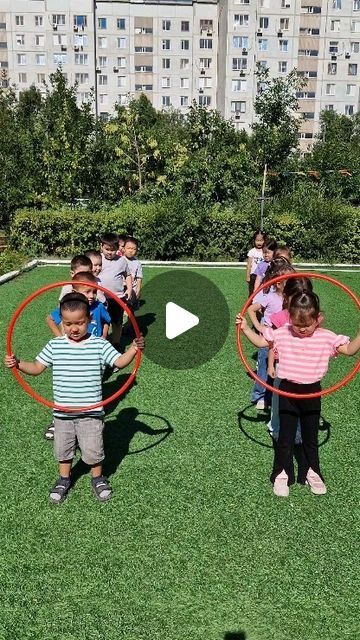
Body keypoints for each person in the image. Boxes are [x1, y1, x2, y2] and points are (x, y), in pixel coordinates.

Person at [4, 292, 145, 505]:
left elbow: (119, 362)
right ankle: (63, 478)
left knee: (93, 448)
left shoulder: (99, 344)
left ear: (89, 319)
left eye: (79, 322)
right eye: (68, 324)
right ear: (62, 322)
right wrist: (18, 364)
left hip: (91, 412)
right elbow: (36, 368)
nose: (74, 328)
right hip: (63, 413)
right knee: (63, 448)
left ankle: (97, 477)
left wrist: (133, 349)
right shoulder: (55, 345)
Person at [237, 291, 360, 497]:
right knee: (285, 436)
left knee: (310, 437)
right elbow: (261, 343)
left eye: (307, 325)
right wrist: (246, 328)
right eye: (297, 324)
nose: (302, 329)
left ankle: (312, 471)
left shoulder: (326, 337)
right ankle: (281, 473)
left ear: (318, 318)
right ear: (290, 318)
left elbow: (349, 350)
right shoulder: (283, 332)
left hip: (312, 392)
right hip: (286, 390)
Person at [248, 259, 295, 410]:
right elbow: (251, 309)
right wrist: (258, 326)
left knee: (279, 370)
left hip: (284, 340)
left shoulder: (293, 300)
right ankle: (260, 396)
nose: (292, 283)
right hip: (268, 338)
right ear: (278, 283)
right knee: (264, 368)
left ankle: (277, 398)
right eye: (288, 280)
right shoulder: (270, 297)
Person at [46, 272, 111, 340]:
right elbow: (50, 319)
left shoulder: (99, 306)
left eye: (94, 292)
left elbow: (106, 321)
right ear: (75, 292)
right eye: (87, 292)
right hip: (73, 347)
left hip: (94, 347)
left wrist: (103, 336)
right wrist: (60, 337)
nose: (92, 296)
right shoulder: (69, 307)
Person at [100, 233, 132, 348]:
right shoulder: (98, 259)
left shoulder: (122, 261)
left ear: (118, 248)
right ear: (101, 247)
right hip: (100, 298)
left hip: (118, 298)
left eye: (113, 250)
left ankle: (116, 344)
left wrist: (128, 288)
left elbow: (127, 275)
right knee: (102, 322)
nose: (109, 252)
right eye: (107, 249)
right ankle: (101, 344)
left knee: (117, 322)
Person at [123, 236, 143, 310]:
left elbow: (139, 278)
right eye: (129, 248)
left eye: (134, 249)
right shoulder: (119, 260)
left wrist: (138, 290)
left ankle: (131, 320)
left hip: (132, 289)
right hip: (120, 288)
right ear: (123, 248)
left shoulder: (137, 263)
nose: (131, 251)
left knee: (131, 309)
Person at [245, 230, 267, 295]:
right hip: (253, 276)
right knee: (252, 292)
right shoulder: (252, 252)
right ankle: (251, 303)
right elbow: (249, 265)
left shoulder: (265, 251)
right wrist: (247, 276)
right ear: (254, 241)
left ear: (264, 241)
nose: (259, 242)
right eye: (257, 240)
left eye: (261, 240)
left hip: (263, 276)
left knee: (262, 292)